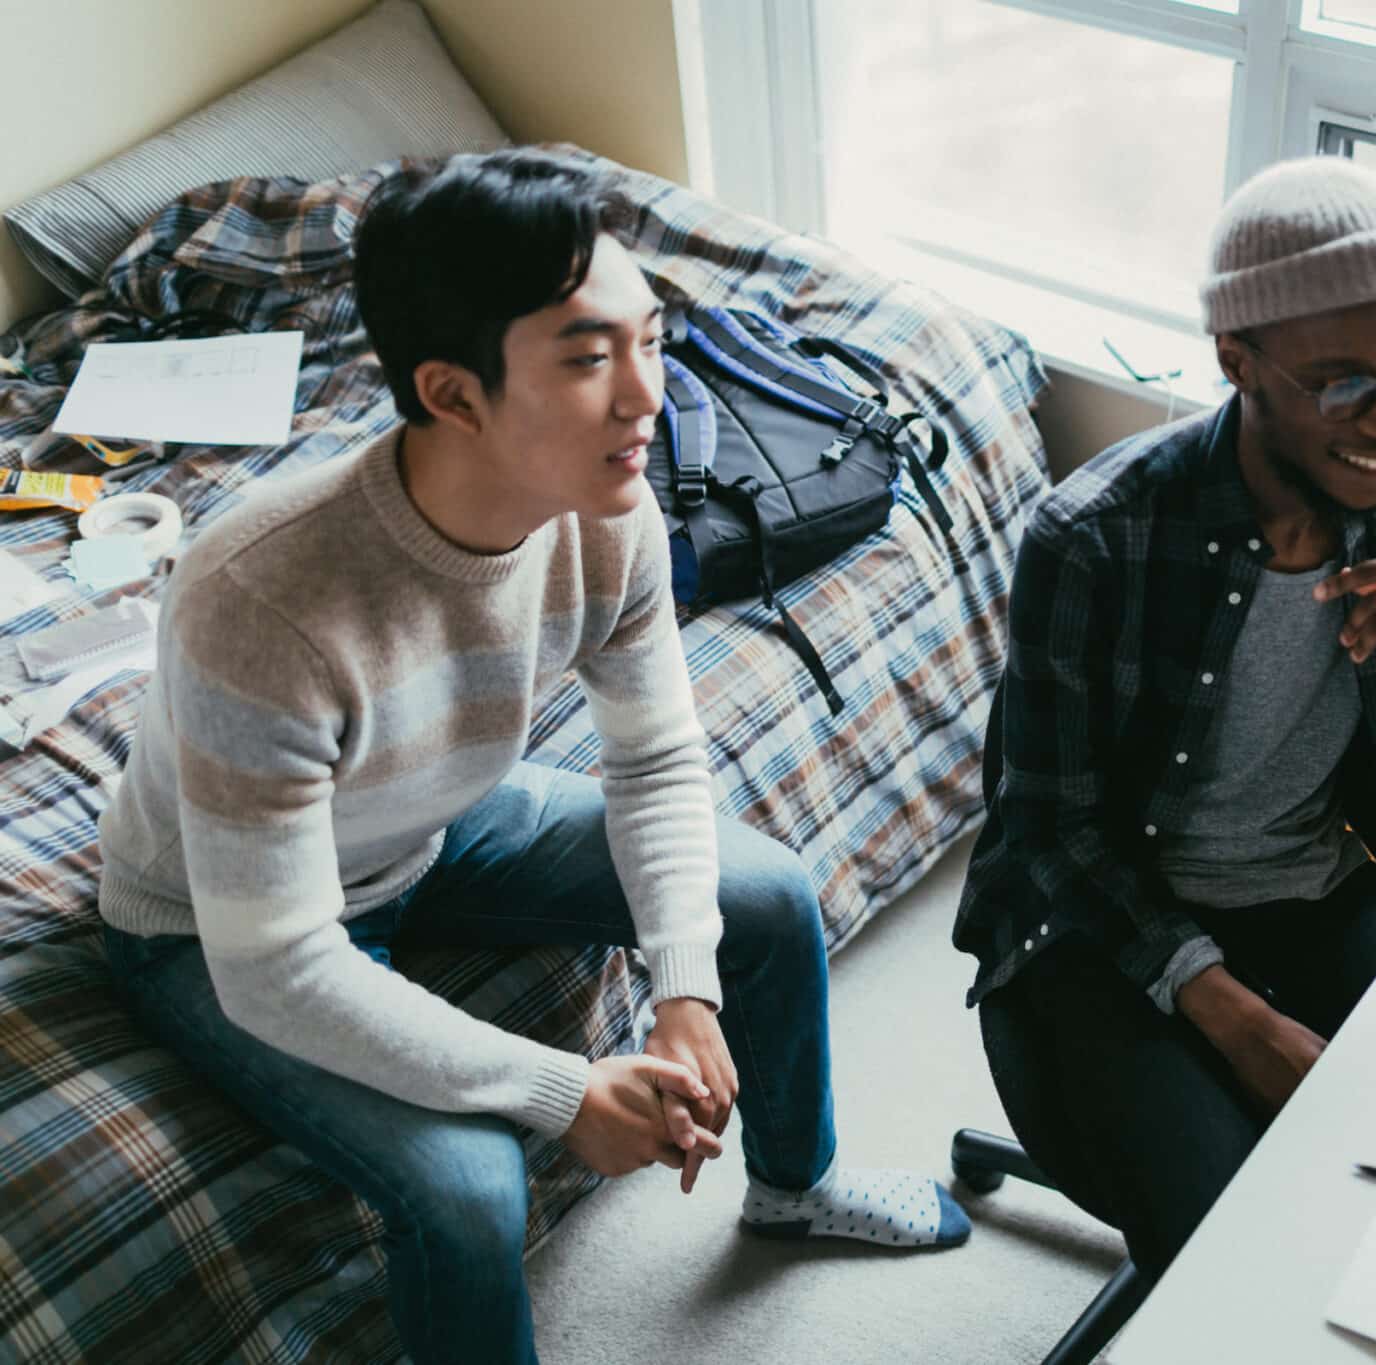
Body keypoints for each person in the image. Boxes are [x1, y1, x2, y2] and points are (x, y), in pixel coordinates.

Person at [97, 149, 967, 1365]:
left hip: (427, 825)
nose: (647, 397)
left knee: (761, 894)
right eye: (587, 359)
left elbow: (656, 763)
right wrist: (563, 1094)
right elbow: (278, 966)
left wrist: (683, 986)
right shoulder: (258, 597)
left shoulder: (613, 516)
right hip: (211, 926)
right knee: (469, 1190)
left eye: (649, 341)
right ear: (452, 396)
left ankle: (795, 1185)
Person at [953, 157, 1376, 1282]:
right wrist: (1235, 1017)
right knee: (1241, 1257)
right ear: (1236, 359)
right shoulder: (1096, 537)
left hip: (1319, 897)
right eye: (1345, 385)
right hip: (1101, 931)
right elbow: (1048, 836)